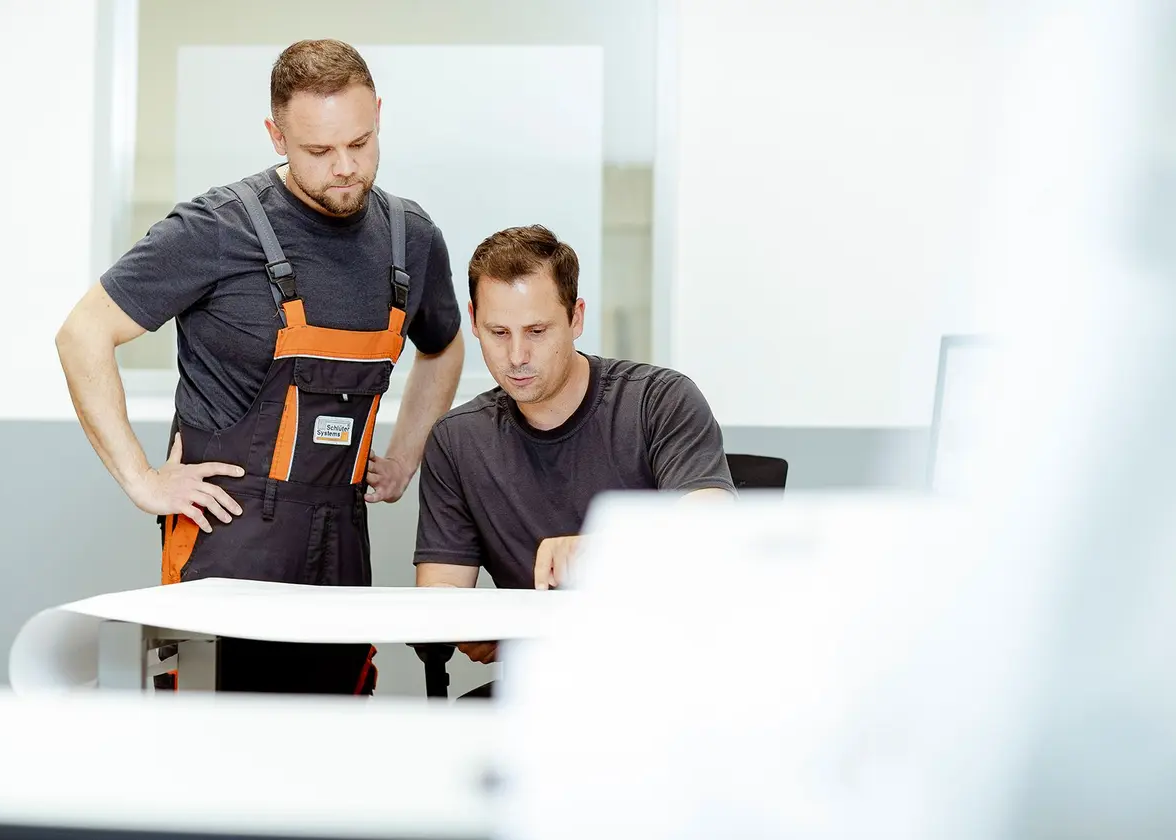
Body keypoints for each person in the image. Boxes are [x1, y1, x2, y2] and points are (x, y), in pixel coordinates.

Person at [56, 39, 464, 694]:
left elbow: (443, 345)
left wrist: (407, 453)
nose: (344, 168)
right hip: (225, 538)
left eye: (360, 144)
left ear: (379, 115)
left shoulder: (410, 239)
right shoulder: (215, 229)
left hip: (340, 536)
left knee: (328, 735)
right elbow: (83, 334)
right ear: (276, 135)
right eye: (318, 151)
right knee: (209, 747)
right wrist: (141, 480)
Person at [412, 224, 734, 678]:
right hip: (547, 687)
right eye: (498, 332)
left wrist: (607, 552)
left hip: (669, 680)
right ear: (473, 320)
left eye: (537, 331)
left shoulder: (659, 400)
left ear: (576, 318)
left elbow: (713, 527)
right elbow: (441, 589)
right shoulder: (457, 440)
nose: (517, 355)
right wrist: (469, 621)